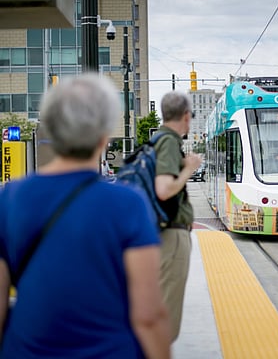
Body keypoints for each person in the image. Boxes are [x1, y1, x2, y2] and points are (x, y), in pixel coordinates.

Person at [0, 74, 171, 358]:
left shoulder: (9, 199)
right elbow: (149, 316)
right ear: (104, 136)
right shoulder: (128, 205)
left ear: (51, 132)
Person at [154, 91, 203, 342]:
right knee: (168, 317)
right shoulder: (169, 141)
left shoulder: (158, 139)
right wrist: (190, 170)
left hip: (165, 232)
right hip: (172, 234)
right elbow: (164, 189)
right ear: (185, 116)